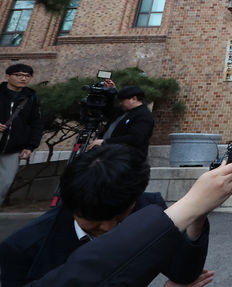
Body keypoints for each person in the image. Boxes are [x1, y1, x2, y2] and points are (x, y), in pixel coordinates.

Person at [0, 144, 211, 287]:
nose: (108, 228)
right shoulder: (23, 248)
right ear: (71, 201)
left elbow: (183, 273)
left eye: (120, 219)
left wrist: (197, 215)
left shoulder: (148, 209)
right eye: (95, 220)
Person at [0, 63, 43, 206]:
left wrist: (30, 146)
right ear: (7, 76)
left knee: (3, 185)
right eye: (19, 75)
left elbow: (36, 123)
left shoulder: (31, 98)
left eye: (27, 76)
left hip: (13, 149)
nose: (23, 78)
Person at [88, 82, 155, 155]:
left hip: (127, 158)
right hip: (109, 154)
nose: (120, 103)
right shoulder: (123, 111)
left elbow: (135, 138)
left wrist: (105, 142)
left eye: (122, 101)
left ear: (134, 99)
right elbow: (108, 111)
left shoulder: (143, 115)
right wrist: (110, 92)